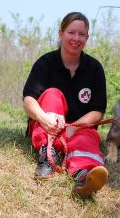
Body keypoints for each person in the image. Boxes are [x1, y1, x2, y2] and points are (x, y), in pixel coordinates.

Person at [22, 12, 108, 198]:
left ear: (87, 37)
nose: (76, 38)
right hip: (47, 127)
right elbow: (29, 100)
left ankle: (84, 177)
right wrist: (44, 119)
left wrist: (74, 128)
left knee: (87, 137)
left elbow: (98, 111)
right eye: (71, 32)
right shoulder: (45, 63)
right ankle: (48, 157)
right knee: (53, 93)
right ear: (60, 33)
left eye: (82, 34)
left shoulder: (95, 68)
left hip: (77, 130)